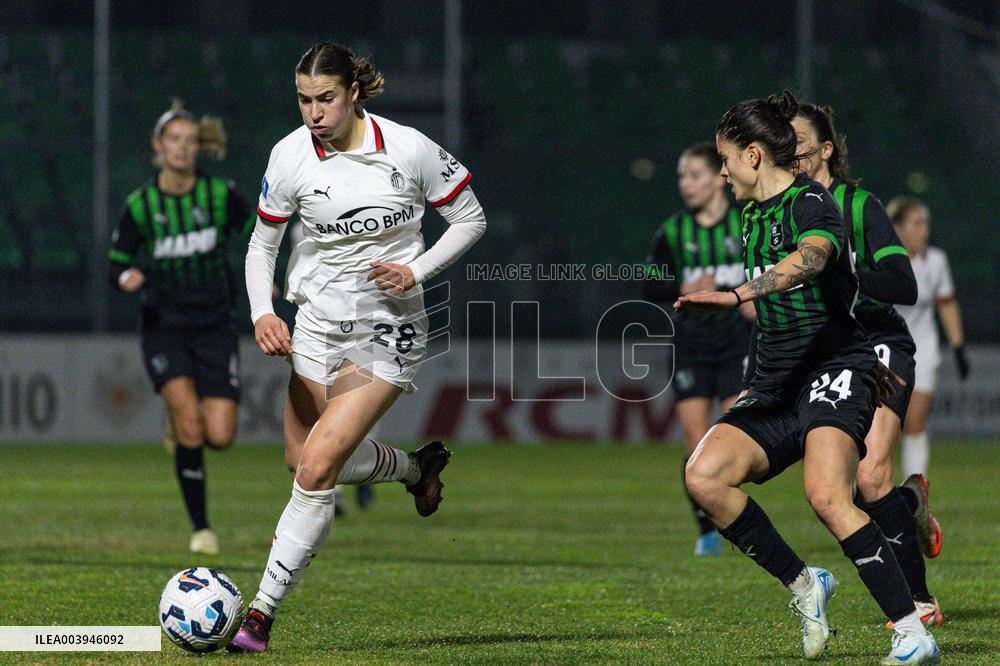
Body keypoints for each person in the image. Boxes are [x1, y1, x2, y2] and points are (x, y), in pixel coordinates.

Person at [228, 42, 486, 654]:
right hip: (315, 322)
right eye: (303, 99)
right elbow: (262, 246)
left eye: (325, 99)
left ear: (354, 93)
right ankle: (417, 468)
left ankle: (259, 615)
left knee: (317, 468)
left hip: (388, 327)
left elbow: (471, 218)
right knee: (305, 461)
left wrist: (416, 272)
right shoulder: (290, 156)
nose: (313, 113)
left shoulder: (409, 148)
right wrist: (265, 312)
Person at [679, 91, 940, 663]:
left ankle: (912, 630)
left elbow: (814, 259)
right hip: (777, 381)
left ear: (752, 156)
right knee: (703, 476)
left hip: (836, 366)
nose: (720, 173)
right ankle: (805, 584)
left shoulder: (812, 202)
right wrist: (757, 375)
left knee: (828, 494)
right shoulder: (750, 215)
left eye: (724, 159)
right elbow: (776, 319)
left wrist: (737, 294)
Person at [791, 104, 943, 625]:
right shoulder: (784, 212)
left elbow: (905, 285)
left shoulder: (859, 207)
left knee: (870, 476)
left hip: (879, 341)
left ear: (826, 150)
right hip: (826, 352)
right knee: (848, 488)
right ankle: (911, 504)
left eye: (801, 143)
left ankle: (920, 604)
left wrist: (847, 279)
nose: (791, 154)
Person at [108, 101, 255, 555]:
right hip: (164, 326)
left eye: (191, 140)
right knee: (191, 426)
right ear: (159, 145)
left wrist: (264, 277)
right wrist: (126, 277)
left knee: (221, 436)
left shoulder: (220, 194)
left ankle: (180, 429)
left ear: (199, 147)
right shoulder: (140, 205)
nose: (183, 148)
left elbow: (259, 236)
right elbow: (116, 262)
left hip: (215, 323)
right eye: (175, 139)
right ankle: (201, 529)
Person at [643, 142, 754, 556]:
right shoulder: (673, 231)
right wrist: (681, 288)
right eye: (681, 177)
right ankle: (707, 530)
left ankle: (733, 519)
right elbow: (650, 282)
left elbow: (772, 271)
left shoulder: (746, 224)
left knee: (732, 435)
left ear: (718, 177)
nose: (686, 184)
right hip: (690, 343)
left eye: (694, 175)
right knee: (696, 439)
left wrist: (754, 301)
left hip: (735, 343)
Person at [889, 197, 969, 482]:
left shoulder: (935, 261)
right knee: (885, 427)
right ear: (897, 226)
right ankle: (877, 493)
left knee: (914, 423)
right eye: (916, 223)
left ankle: (915, 493)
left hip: (922, 348)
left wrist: (958, 347)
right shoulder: (883, 259)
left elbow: (946, 305)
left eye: (925, 223)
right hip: (885, 350)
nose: (923, 230)